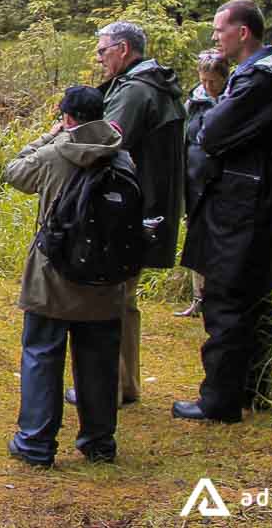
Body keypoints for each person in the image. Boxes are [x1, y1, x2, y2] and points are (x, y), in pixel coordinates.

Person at [174, 0, 272, 423]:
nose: (215, 38)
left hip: (239, 204)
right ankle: (254, 389)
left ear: (243, 32)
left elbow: (212, 133)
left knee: (228, 298)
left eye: (220, 30)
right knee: (254, 298)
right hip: (260, 200)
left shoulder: (260, 81)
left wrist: (204, 108)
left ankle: (220, 400)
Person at [4, 85, 133, 468]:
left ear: (68, 118)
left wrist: (53, 134)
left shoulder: (55, 154)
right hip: (107, 279)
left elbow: (13, 171)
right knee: (99, 359)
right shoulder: (122, 156)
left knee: (42, 354)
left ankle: (36, 443)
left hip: (54, 275)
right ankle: (99, 442)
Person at [68, 21, 183, 408]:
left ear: (122, 49)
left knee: (111, 297)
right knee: (124, 298)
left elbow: (103, 140)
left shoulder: (135, 91)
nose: (99, 59)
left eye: (102, 51)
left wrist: (58, 144)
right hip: (141, 205)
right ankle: (125, 382)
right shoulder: (149, 85)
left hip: (125, 209)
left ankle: (108, 387)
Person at [175, 50, 229, 318]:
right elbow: (184, 140)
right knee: (196, 240)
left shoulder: (234, 98)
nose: (208, 86)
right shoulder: (194, 102)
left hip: (221, 184)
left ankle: (218, 297)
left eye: (213, 81)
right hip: (195, 181)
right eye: (204, 80)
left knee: (219, 242)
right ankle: (199, 299)